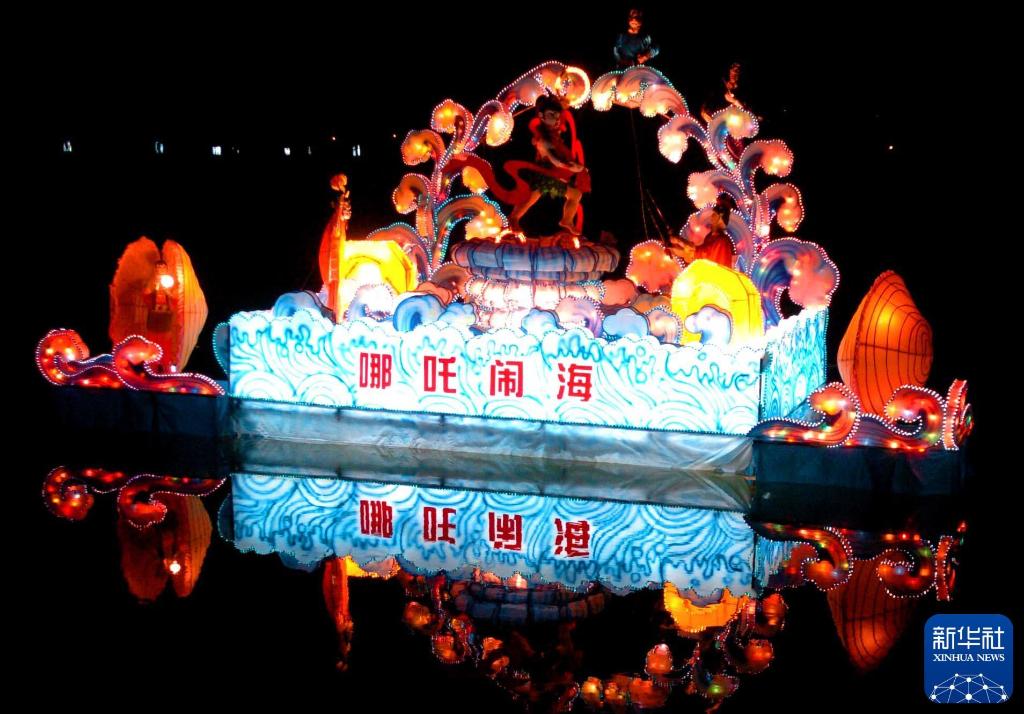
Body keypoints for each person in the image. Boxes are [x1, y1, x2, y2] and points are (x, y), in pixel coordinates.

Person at [508, 95, 590, 236]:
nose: (556, 119)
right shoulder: (543, 139)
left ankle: (567, 220)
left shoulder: (554, 135)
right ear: (541, 116)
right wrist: (575, 167)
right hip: (543, 175)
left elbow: (561, 158)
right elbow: (556, 161)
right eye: (552, 115)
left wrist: (576, 167)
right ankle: (514, 218)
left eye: (557, 116)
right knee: (530, 198)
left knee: (575, 194)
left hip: (555, 176)